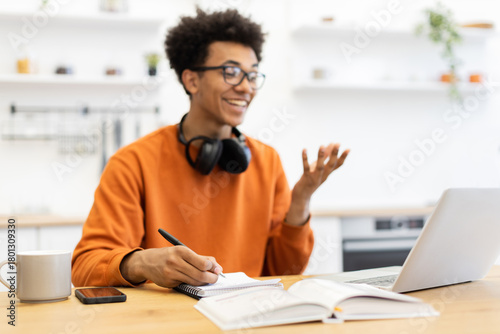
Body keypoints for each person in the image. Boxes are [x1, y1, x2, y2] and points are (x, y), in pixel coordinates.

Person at [71, 8, 349, 288]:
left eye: (252, 76)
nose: (246, 88)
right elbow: (85, 267)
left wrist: (300, 201)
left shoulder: (267, 161)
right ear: (192, 80)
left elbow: (287, 269)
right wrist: (143, 262)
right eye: (231, 72)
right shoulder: (133, 162)